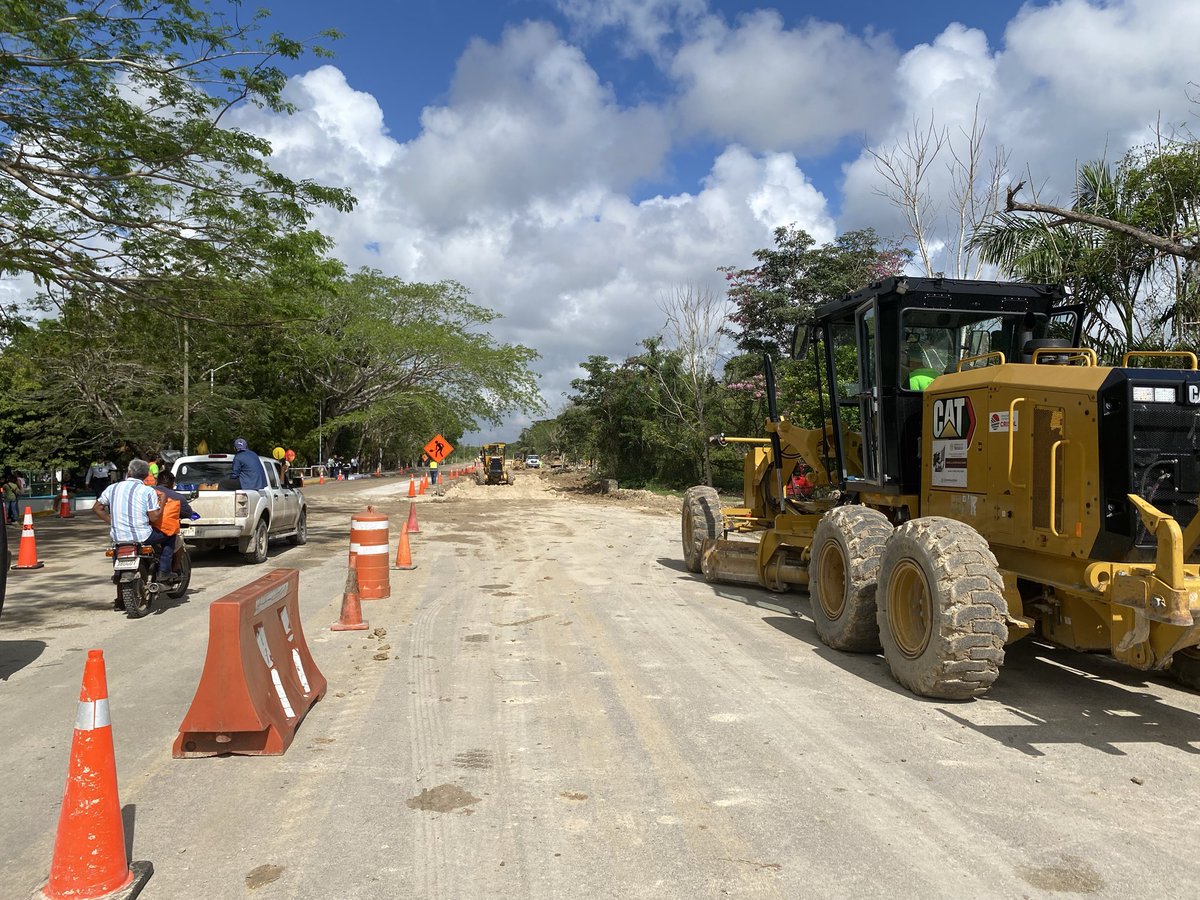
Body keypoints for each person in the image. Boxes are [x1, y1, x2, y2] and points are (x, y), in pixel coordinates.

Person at [93, 459, 173, 573]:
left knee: (116, 548)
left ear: (129, 472)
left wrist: (113, 521)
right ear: (146, 475)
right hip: (142, 537)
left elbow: (97, 508)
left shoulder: (112, 488)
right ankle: (164, 572)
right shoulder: (148, 491)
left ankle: (118, 571)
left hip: (118, 537)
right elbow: (154, 518)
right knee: (170, 535)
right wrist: (163, 501)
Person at [153, 471, 196, 582]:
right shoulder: (178, 497)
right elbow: (188, 513)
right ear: (173, 484)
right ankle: (171, 570)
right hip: (161, 532)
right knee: (174, 539)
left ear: (157, 481)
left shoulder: (147, 492)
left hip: (141, 532)